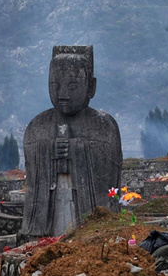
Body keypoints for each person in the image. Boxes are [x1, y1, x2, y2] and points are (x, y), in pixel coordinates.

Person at [22, 46, 122, 240]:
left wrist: (75, 150)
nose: (63, 94)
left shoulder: (104, 125)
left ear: (91, 87)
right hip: (53, 206)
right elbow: (32, 170)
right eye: (55, 86)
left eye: (73, 86)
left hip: (85, 209)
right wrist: (48, 151)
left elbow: (110, 169)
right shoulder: (37, 126)